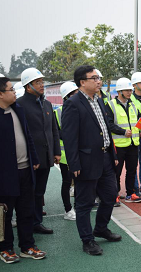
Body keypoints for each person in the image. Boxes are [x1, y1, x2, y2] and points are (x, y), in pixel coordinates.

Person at [0, 77, 46, 263]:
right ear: (0, 94)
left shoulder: (18, 110)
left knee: (26, 211)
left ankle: (27, 246)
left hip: (25, 170)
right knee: (4, 214)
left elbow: (27, 136)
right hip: (4, 175)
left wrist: (34, 158)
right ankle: (6, 249)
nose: (15, 93)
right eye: (11, 89)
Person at [61, 65, 121, 256]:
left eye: (98, 78)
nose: (98, 81)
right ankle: (88, 240)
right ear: (82, 82)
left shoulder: (100, 100)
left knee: (111, 195)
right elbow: (69, 137)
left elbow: (105, 129)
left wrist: (113, 154)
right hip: (86, 161)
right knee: (85, 203)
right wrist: (74, 163)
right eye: (94, 78)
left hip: (105, 157)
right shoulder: (73, 103)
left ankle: (101, 228)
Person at [17, 68, 60, 235]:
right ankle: (27, 222)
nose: (42, 85)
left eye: (42, 81)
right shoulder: (19, 105)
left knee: (39, 192)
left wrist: (56, 151)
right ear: (28, 86)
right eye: (37, 82)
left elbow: (53, 130)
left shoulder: (47, 104)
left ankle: (36, 222)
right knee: (28, 192)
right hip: (28, 159)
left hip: (46, 157)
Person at [105, 78, 141, 204]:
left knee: (132, 170)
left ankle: (130, 193)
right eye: (127, 90)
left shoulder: (133, 105)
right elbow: (109, 124)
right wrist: (123, 132)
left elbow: (137, 122)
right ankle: (114, 194)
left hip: (133, 143)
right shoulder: (110, 105)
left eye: (130, 90)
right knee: (116, 171)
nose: (129, 92)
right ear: (119, 91)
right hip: (118, 145)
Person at [54, 81, 78, 221]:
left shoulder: (81, 109)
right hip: (65, 155)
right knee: (67, 182)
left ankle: (78, 207)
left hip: (79, 153)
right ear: (67, 96)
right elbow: (57, 133)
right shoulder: (57, 112)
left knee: (80, 182)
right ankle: (68, 209)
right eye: (75, 94)